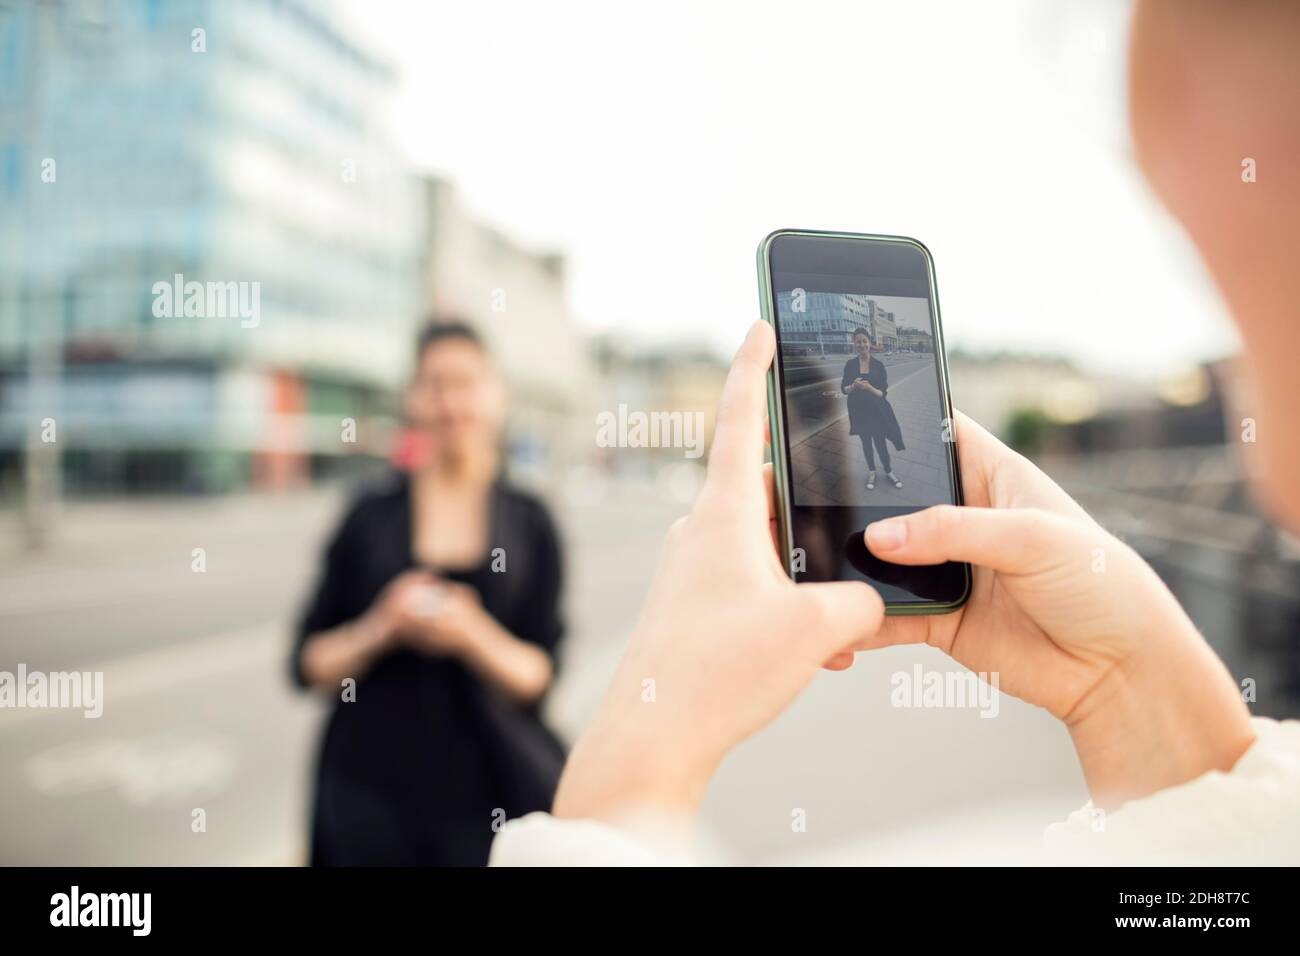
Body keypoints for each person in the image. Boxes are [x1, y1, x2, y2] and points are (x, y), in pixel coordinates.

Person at [490, 0, 1300, 865]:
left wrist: (630, 773)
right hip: (877, 426)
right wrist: (1128, 684)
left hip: (873, 425)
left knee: (876, 452)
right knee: (875, 450)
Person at [293, 320, 567, 866]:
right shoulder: (369, 514)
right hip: (366, 794)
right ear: (413, 399)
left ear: (497, 395)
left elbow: (538, 677)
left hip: (490, 797)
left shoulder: (531, 521)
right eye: (434, 385)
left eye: (465, 383)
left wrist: (472, 633)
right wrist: (380, 627)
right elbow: (308, 664)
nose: (450, 403)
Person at [841, 328, 904, 491]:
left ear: (869, 343)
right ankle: (872, 471)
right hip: (859, 413)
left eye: (864, 341)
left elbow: (882, 393)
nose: (861, 344)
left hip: (877, 412)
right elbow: (844, 389)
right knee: (866, 444)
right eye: (858, 341)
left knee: (880, 443)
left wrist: (869, 388)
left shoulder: (878, 365)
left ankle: (889, 471)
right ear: (854, 344)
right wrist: (853, 386)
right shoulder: (850, 365)